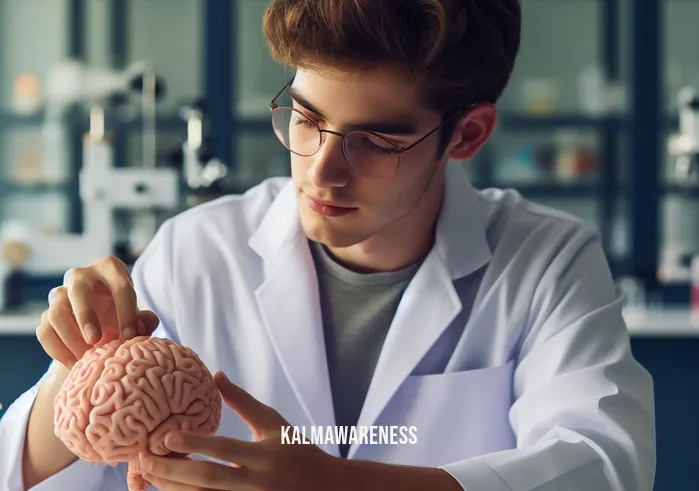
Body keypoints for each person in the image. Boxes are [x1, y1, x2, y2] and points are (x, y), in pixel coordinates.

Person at [1, 0, 655, 490]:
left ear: (467, 134)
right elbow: (22, 474)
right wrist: (80, 367)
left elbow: (604, 461)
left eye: (376, 141)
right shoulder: (199, 250)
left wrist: (345, 484)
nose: (321, 171)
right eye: (307, 118)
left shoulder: (547, 260)